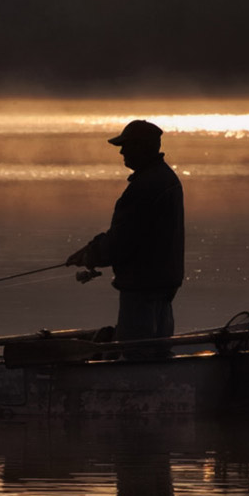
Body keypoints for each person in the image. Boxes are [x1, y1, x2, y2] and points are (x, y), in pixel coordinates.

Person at [66, 120, 185, 345]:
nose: (121, 152)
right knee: (158, 347)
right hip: (164, 281)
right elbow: (130, 233)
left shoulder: (145, 187)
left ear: (142, 147)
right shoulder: (166, 178)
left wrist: (91, 255)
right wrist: (91, 249)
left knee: (135, 350)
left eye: (126, 145)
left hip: (143, 284)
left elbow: (123, 240)